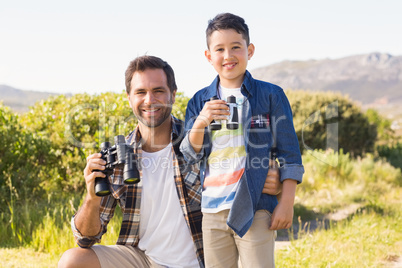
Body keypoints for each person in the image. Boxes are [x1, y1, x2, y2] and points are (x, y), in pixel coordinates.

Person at [58, 55, 281, 268]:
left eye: (158, 91)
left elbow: (244, 164)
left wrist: (272, 181)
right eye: (140, 92)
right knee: (72, 261)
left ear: (173, 95)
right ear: (129, 97)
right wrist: (92, 197)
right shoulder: (119, 157)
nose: (149, 100)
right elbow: (86, 239)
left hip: (203, 259)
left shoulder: (198, 139)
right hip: (144, 260)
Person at [180, 13, 304, 267]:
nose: (228, 56)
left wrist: (287, 203)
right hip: (212, 210)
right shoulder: (199, 101)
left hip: (255, 206)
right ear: (208, 56)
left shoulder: (271, 95)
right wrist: (201, 121)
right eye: (220, 49)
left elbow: (289, 153)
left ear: (250, 50)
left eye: (236, 47)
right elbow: (190, 154)